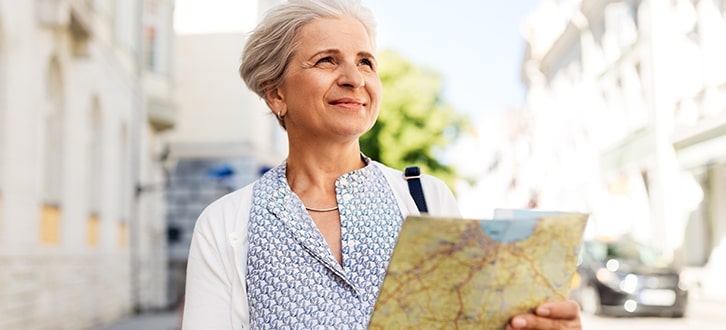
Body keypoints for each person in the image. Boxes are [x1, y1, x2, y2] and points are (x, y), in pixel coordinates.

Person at [181, 0, 582, 329]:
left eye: (366, 62)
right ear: (275, 93)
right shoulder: (226, 223)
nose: (354, 78)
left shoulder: (426, 198)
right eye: (326, 60)